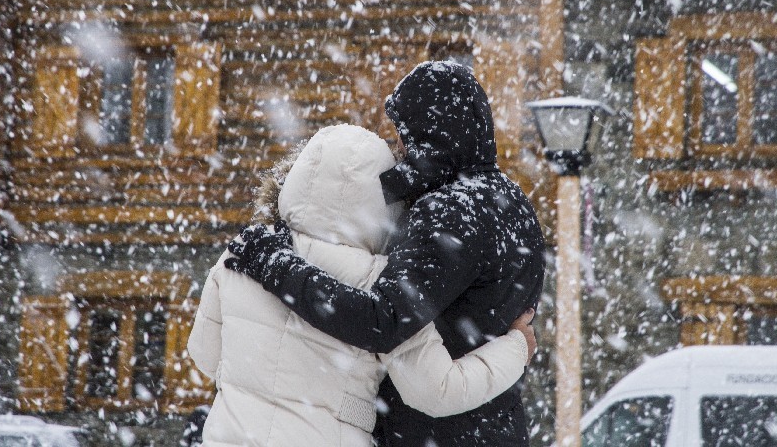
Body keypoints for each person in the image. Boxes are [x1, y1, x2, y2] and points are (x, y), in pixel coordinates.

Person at [227, 61, 547, 446]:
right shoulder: (512, 202)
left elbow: (383, 321)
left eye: (403, 135)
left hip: (436, 433)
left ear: (429, 135)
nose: (398, 148)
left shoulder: (450, 210)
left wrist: (275, 264)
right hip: (494, 424)